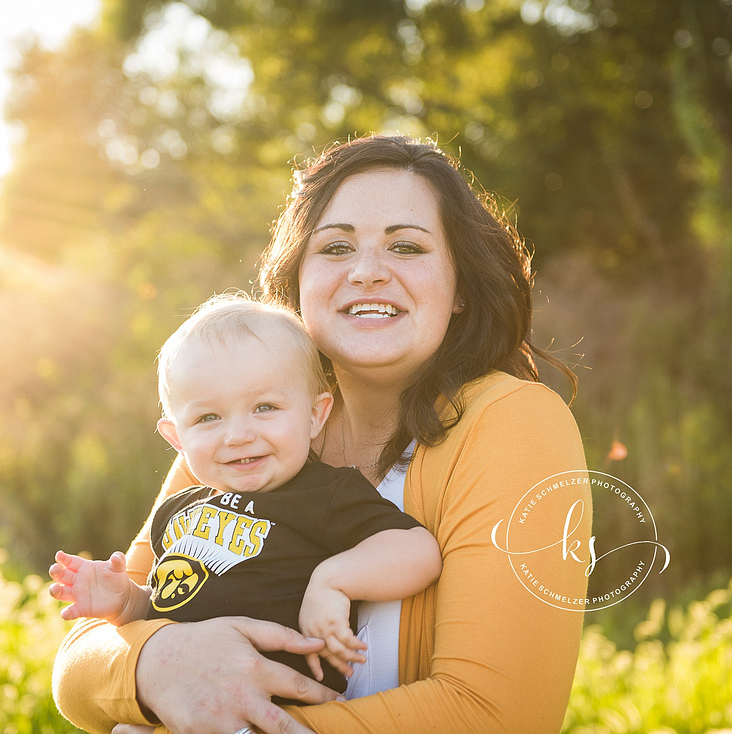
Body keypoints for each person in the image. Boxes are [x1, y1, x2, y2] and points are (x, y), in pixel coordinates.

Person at [52, 134, 590, 734]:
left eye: (406, 246)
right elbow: (79, 670)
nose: (366, 272)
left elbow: (500, 715)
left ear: (461, 286)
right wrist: (158, 659)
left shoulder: (513, 422)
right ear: (299, 282)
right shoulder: (245, 434)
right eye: (335, 247)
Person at [47, 296, 442, 696]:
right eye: (209, 418)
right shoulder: (177, 512)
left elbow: (418, 550)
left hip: (276, 706)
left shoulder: (324, 493)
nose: (238, 435)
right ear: (177, 439)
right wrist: (127, 600)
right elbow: (172, 601)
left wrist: (333, 581)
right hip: (182, 701)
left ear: (315, 415)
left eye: (264, 407)